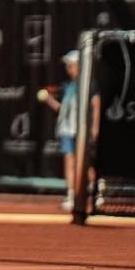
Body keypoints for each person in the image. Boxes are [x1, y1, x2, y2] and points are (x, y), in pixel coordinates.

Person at [37, 49, 82, 210]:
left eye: (71, 65)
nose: (68, 69)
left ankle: (97, 193)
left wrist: (93, 127)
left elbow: (94, 106)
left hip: (81, 132)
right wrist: (49, 99)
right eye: (68, 66)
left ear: (80, 66)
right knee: (69, 162)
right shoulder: (68, 87)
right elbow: (61, 109)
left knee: (84, 164)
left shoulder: (88, 86)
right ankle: (71, 196)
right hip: (66, 131)